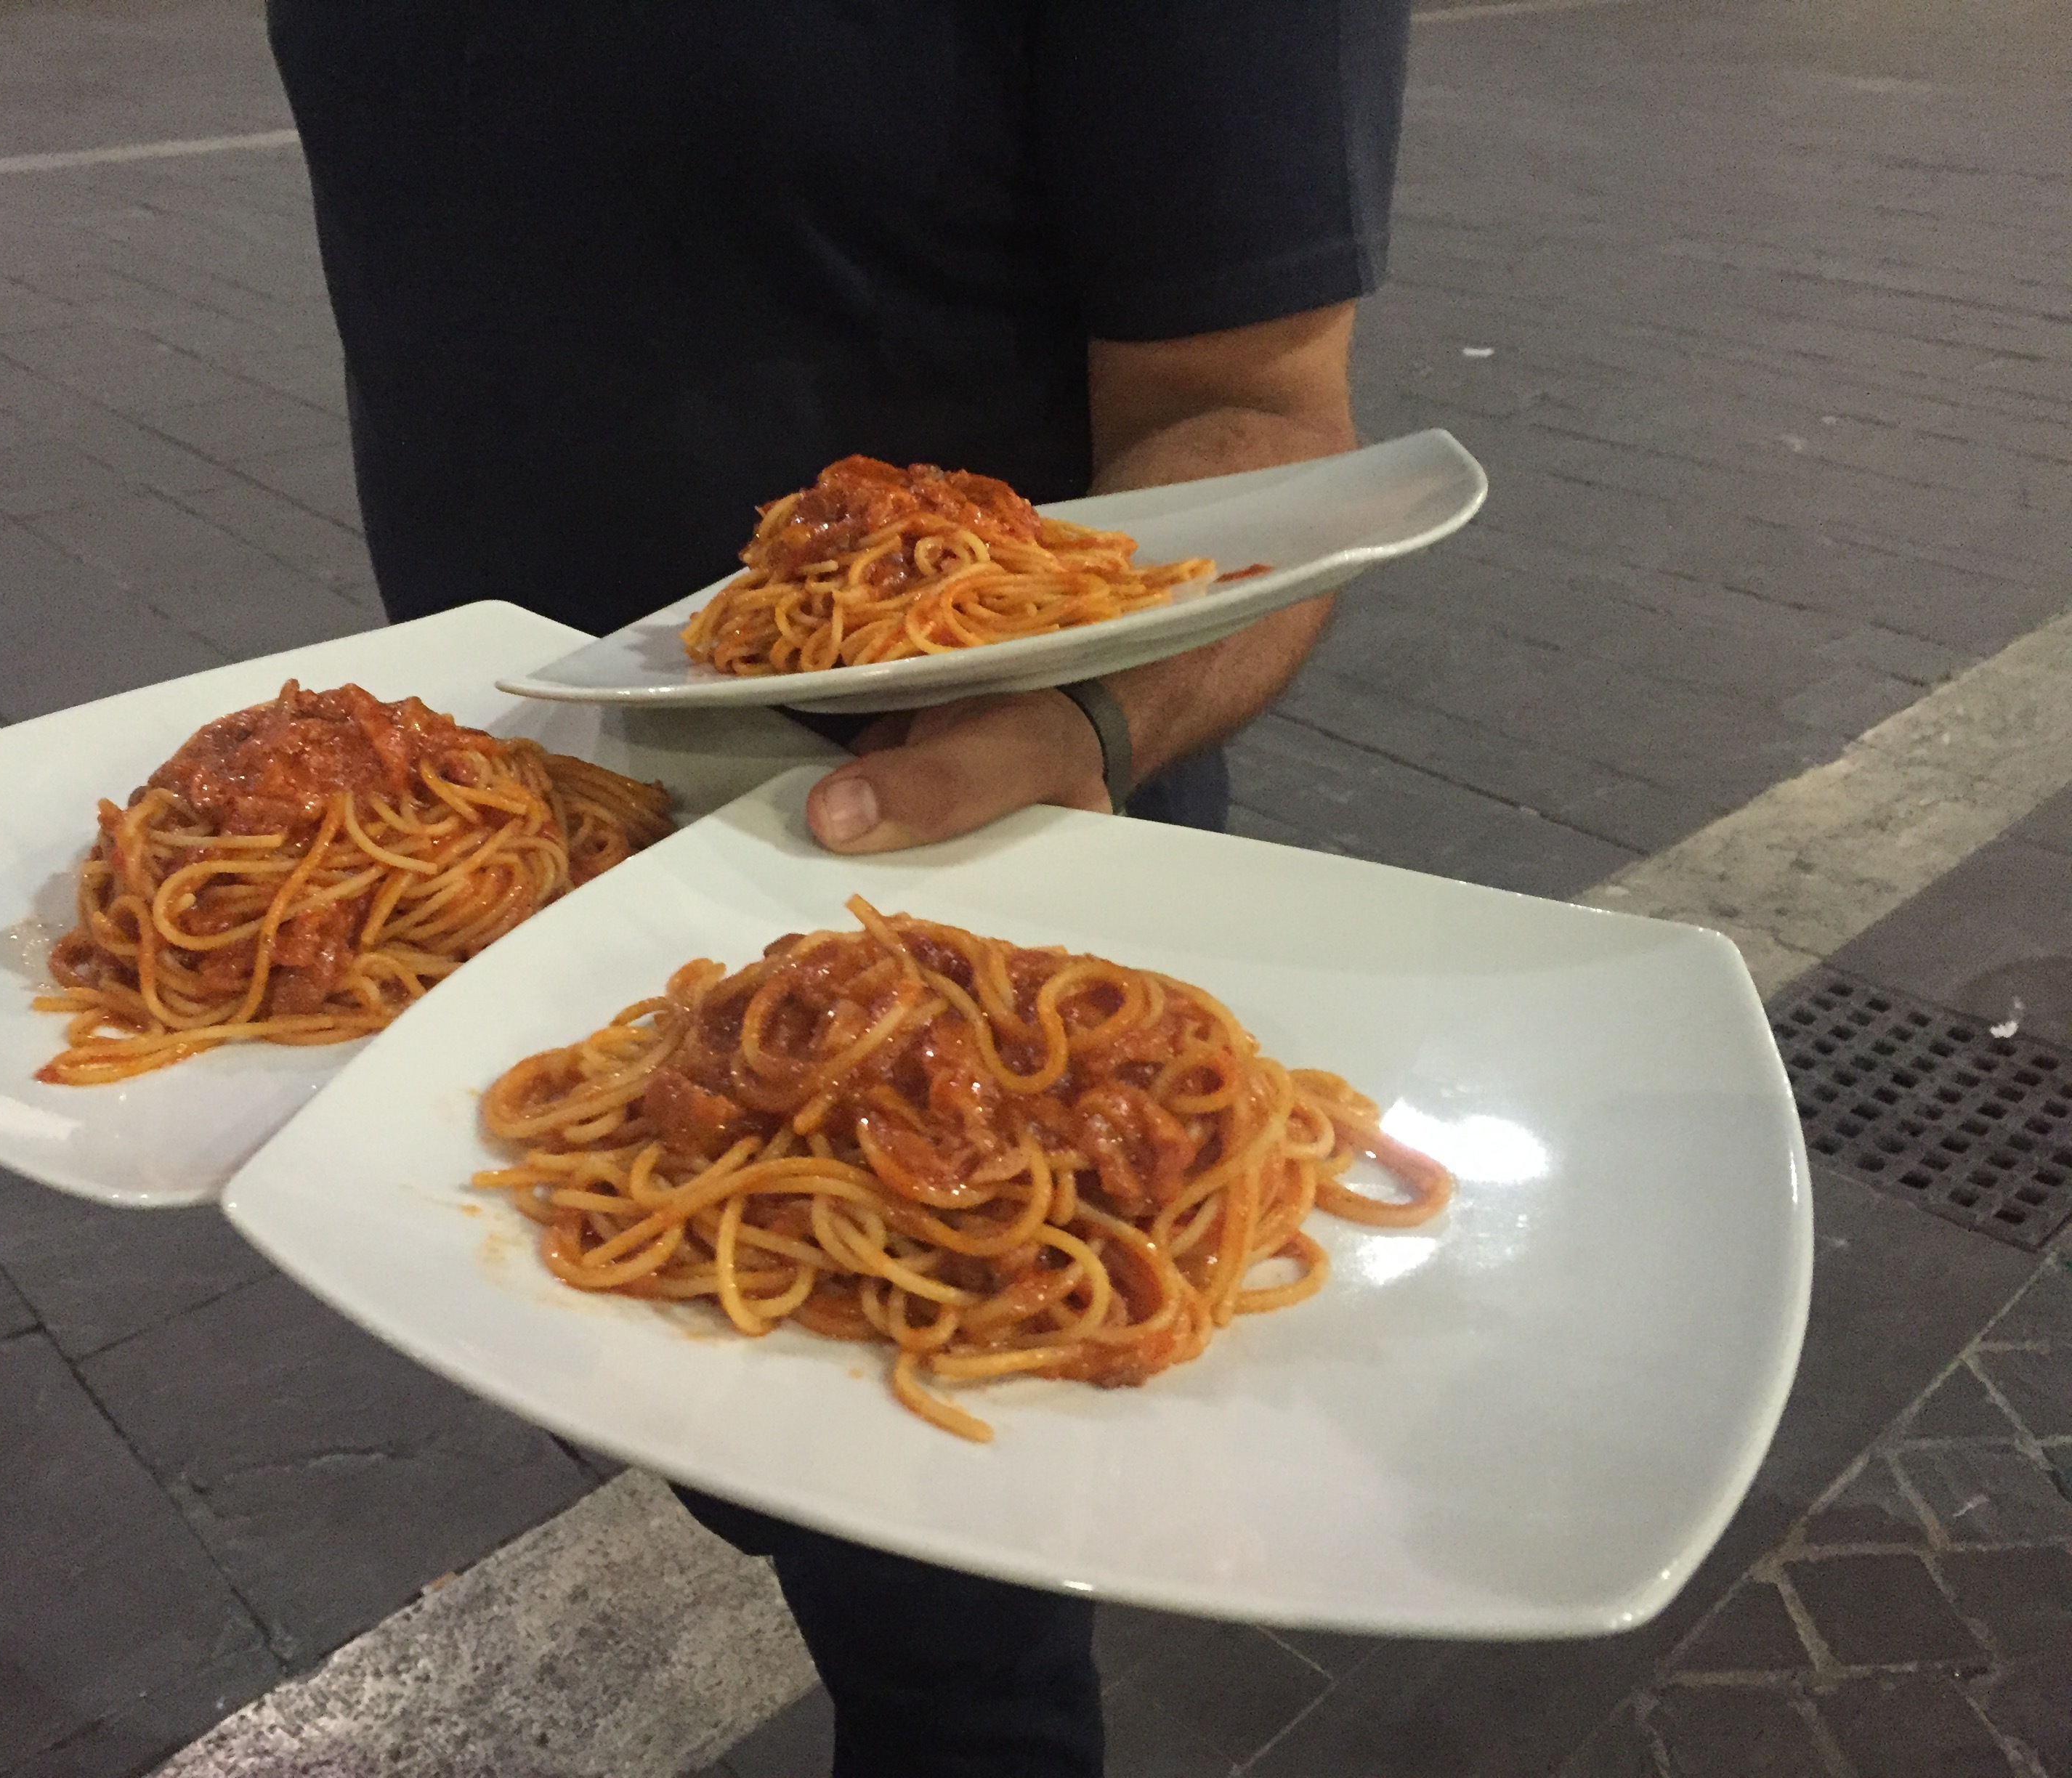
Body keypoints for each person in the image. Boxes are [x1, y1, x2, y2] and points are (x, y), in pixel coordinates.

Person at [265, 7, 1410, 1773]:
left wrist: (1091, 710)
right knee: (710, 1456)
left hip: (959, 955)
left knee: (954, 1655)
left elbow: (1253, 411)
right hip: (488, 877)